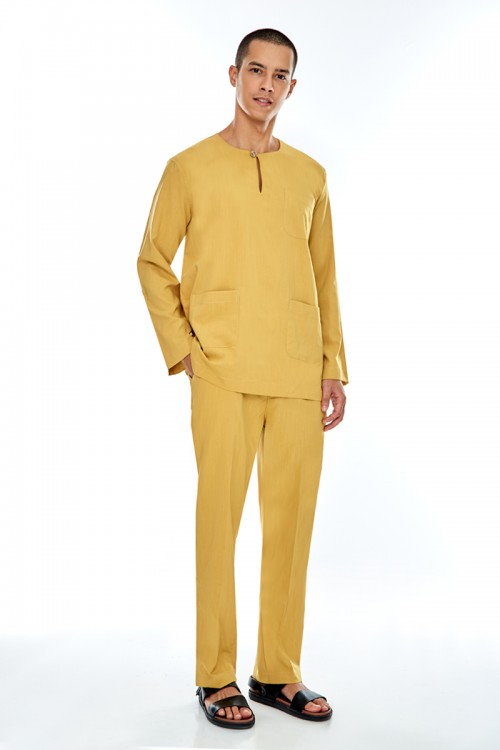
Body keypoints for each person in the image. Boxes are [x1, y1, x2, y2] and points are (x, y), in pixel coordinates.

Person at [136, 27, 348, 729]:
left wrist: (333, 367)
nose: (266, 85)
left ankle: (277, 673)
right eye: (256, 70)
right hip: (221, 368)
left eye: (279, 75)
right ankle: (215, 675)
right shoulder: (189, 168)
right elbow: (152, 260)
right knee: (218, 522)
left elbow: (325, 278)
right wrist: (184, 350)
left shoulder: (311, 177)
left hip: (296, 369)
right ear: (234, 75)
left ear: (292, 87)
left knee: (292, 526)